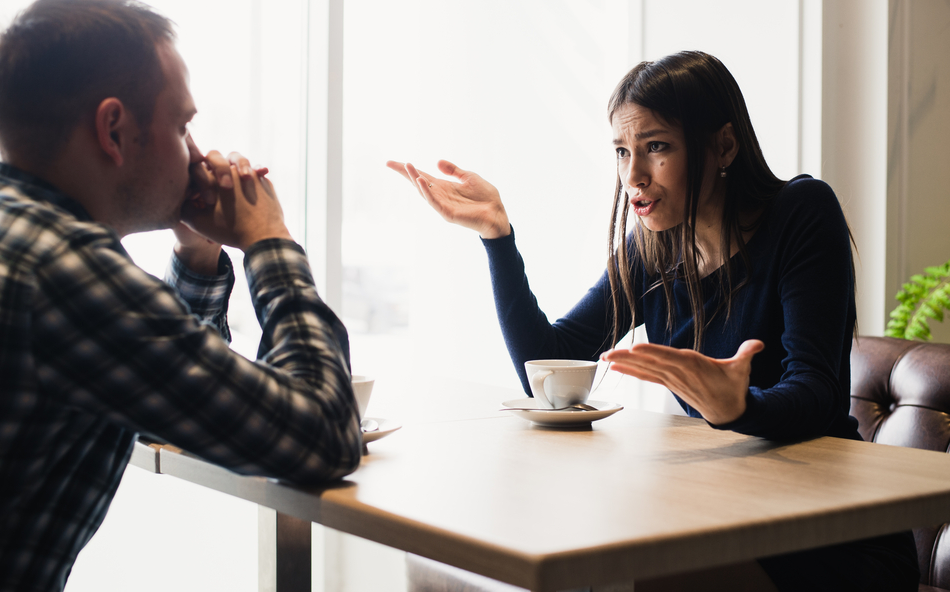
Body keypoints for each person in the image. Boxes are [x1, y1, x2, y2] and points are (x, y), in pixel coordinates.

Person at [388, 51, 919, 591]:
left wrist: (740, 406)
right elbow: (546, 370)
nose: (633, 175)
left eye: (656, 147)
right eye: (622, 151)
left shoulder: (802, 211)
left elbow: (818, 394)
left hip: (831, 538)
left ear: (724, 146)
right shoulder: (652, 250)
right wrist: (497, 237)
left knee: (624, 575)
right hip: (721, 514)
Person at [0, 0, 361, 591]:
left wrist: (196, 255)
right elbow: (322, 436)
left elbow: (160, 398)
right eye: (182, 125)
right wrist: (270, 242)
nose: (196, 154)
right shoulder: (62, 273)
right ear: (114, 129)